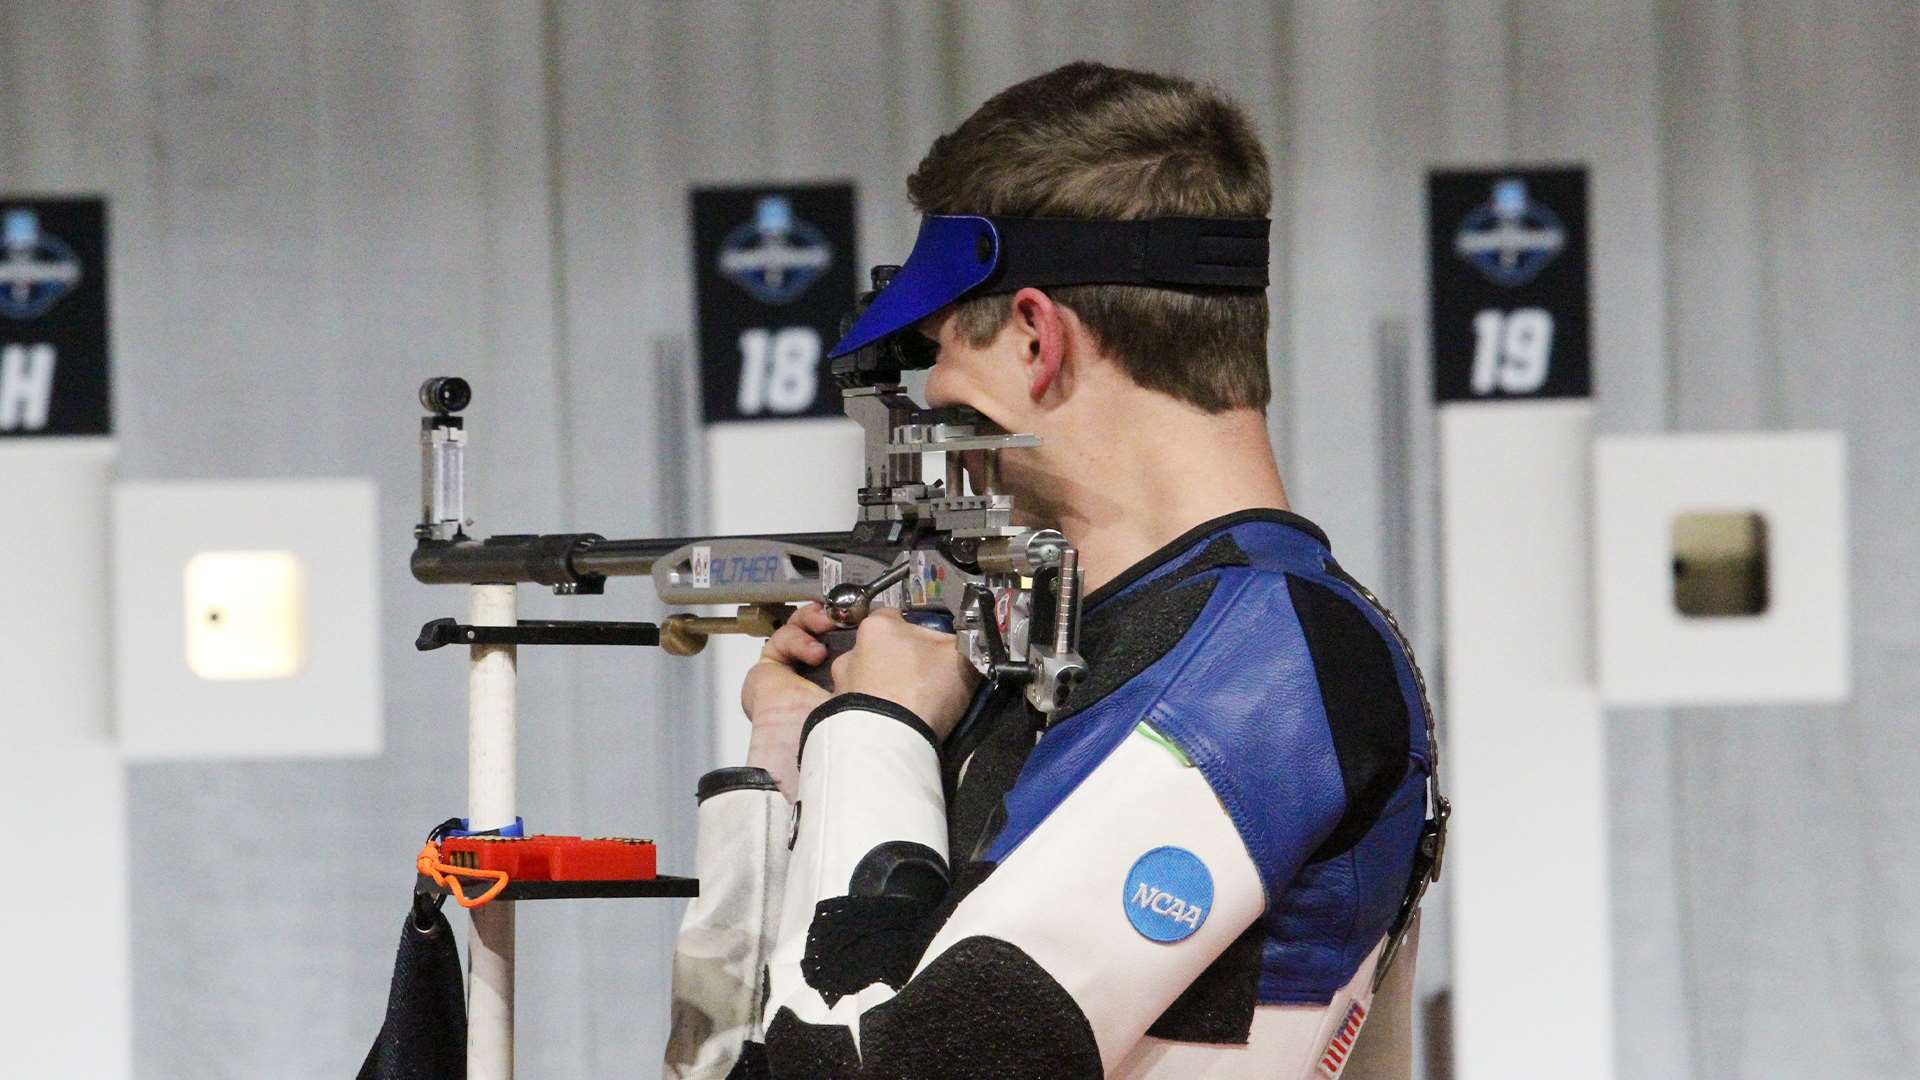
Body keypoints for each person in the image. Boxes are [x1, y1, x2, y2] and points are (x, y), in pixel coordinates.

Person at [664, 61, 1443, 1080]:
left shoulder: (1276, 664)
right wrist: (793, 753)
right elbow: (775, 1048)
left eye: (943, 352)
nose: (936, 394)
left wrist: (875, 732)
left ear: (1036, 336)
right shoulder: (1104, 651)